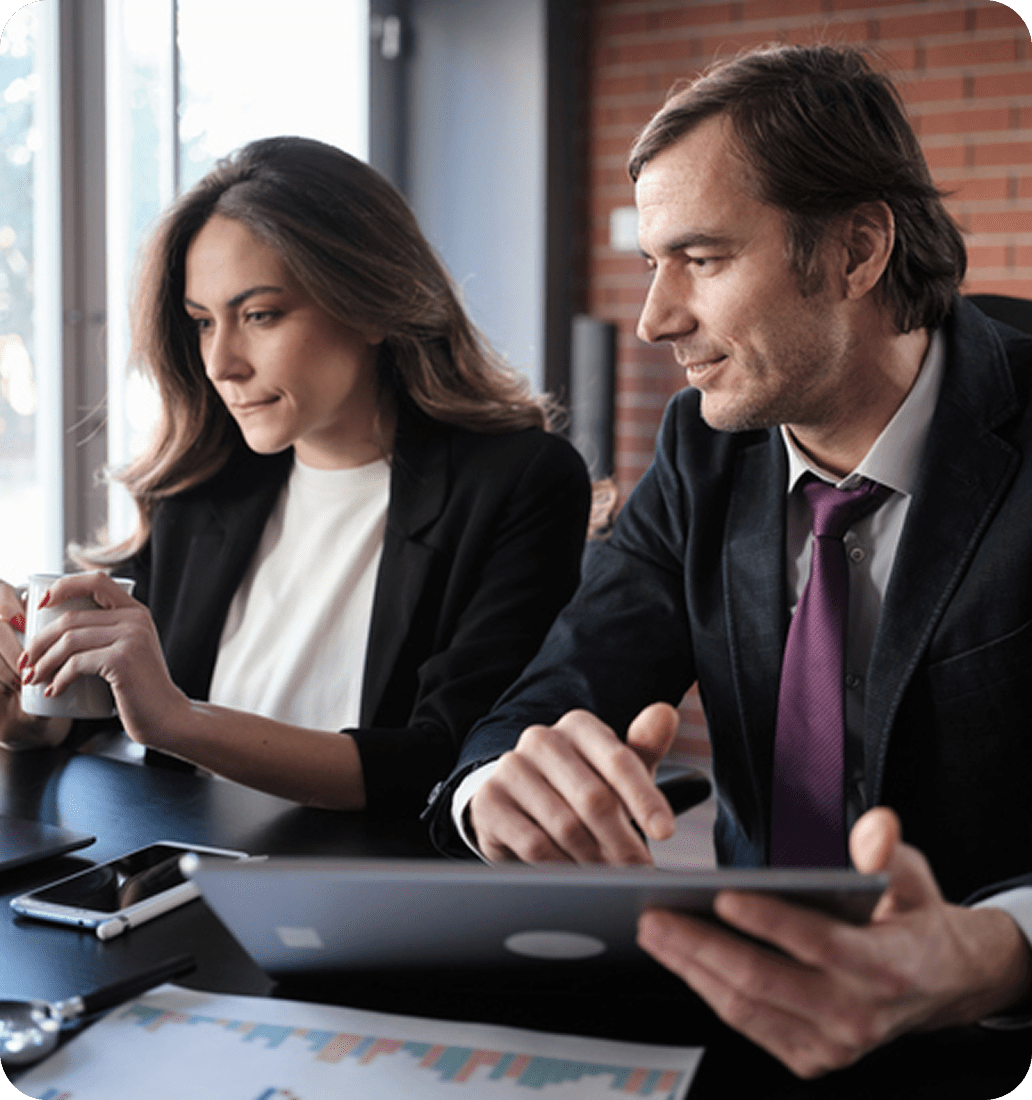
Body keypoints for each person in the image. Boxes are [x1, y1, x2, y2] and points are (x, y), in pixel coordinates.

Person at [424, 44, 1032, 1078]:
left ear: (855, 250)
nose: (658, 317)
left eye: (700, 259)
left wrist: (1000, 951)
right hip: (736, 1017)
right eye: (652, 264)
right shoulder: (702, 449)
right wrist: (500, 790)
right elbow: (549, 693)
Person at [0, 136, 590, 814]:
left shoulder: (521, 483)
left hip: (371, 897)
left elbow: (448, 761)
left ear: (371, 304)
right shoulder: (203, 484)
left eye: (260, 315)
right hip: (177, 879)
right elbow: (113, 703)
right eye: (201, 322)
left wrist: (179, 719)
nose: (221, 362)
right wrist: (35, 710)